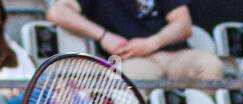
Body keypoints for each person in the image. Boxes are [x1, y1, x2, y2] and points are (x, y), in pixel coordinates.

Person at [47, 0, 222, 81]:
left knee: (210, 64)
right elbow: (57, 12)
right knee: (128, 79)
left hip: (174, 54)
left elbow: (184, 25)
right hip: (130, 59)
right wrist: (103, 36)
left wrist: (151, 43)